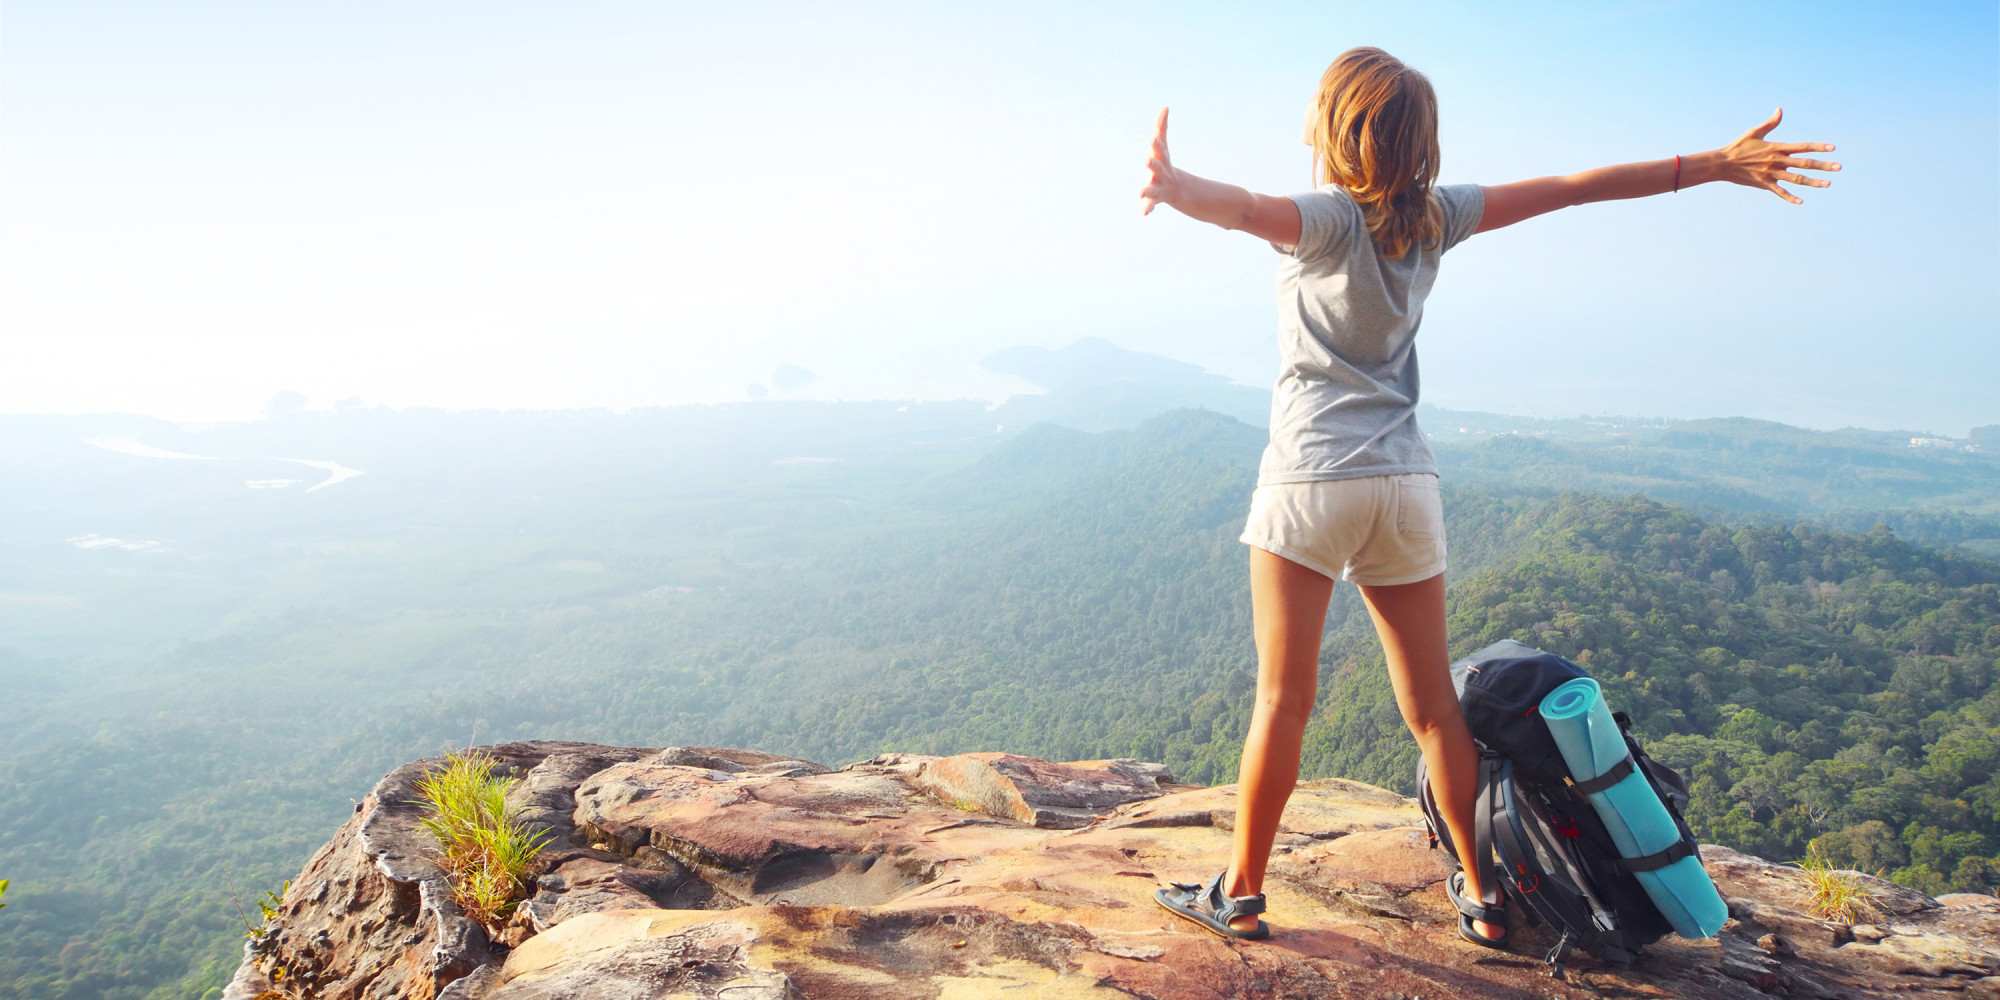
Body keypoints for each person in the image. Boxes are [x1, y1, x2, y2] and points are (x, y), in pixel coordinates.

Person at [1141, 46, 1837, 947]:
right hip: (1404, 485)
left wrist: (1175, 182)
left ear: (1334, 131)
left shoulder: (1322, 219)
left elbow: (1238, 209)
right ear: (1420, 143)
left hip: (1312, 478)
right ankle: (1484, 895)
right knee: (1433, 708)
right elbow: (1571, 186)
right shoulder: (1437, 217)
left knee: (1283, 701)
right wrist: (1710, 166)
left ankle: (1238, 892)